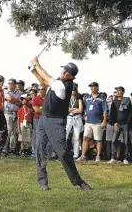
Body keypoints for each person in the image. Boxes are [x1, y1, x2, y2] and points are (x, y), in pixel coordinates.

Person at [30, 58, 91, 191]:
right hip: (44, 119)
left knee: (63, 153)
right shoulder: (60, 80)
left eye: (66, 71)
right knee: (40, 149)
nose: (63, 72)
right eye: (63, 69)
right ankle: (42, 181)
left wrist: (36, 63)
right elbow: (44, 82)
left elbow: (46, 76)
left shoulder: (64, 86)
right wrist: (34, 71)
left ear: (71, 76)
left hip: (56, 122)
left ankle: (79, 181)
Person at [76, 82, 107, 163]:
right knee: (85, 138)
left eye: (93, 86)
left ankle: (98, 156)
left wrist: (104, 121)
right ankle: (83, 156)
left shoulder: (102, 97)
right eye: (91, 87)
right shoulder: (87, 97)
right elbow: (84, 108)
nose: (92, 88)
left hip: (98, 122)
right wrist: (84, 115)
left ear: (97, 87)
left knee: (98, 140)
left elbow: (105, 110)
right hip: (88, 122)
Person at [108, 86, 132, 164]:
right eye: (117, 91)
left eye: (119, 91)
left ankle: (125, 158)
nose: (118, 92)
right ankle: (113, 158)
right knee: (114, 141)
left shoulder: (127, 100)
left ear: (123, 92)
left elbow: (130, 113)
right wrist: (113, 123)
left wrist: (127, 123)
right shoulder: (114, 102)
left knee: (126, 142)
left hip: (125, 124)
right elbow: (112, 113)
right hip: (117, 124)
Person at [3, 78, 21, 154]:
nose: (10, 85)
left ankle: (12, 148)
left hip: (15, 113)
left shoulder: (18, 93)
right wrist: (14, 100)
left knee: (14, 131)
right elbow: (9, 98)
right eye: (9, 83)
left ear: (15, 84)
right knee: (9, 130)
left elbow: (20, 103)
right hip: (7, 112)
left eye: (12, 83)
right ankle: (5, 148)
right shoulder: (5, 91)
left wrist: (11, 100)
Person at [66, 87, 84, 159]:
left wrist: (71, 110)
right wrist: (75, 109)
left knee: (76, 136)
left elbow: (80, 110)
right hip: (69, 118)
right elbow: (66, 109)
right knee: (66, 135)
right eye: (71, 90)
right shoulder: (67, 99)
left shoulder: (79, 99)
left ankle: (76, 154)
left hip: (77, 118)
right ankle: (63, 152)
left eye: (73, 90)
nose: (72, 91)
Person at [31, 84, 46, 158]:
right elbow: (36, 110)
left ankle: (44, 152)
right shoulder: (35, 98)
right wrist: (45, 109)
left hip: (47, 119)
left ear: (45, 90)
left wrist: (41, 108)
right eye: (39, 89)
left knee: (46, 136)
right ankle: (35, 153)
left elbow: (52, 108)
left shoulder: (48, 98)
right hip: (37, 119)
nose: (40, 91)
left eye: (42, 89)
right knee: (36, 136)